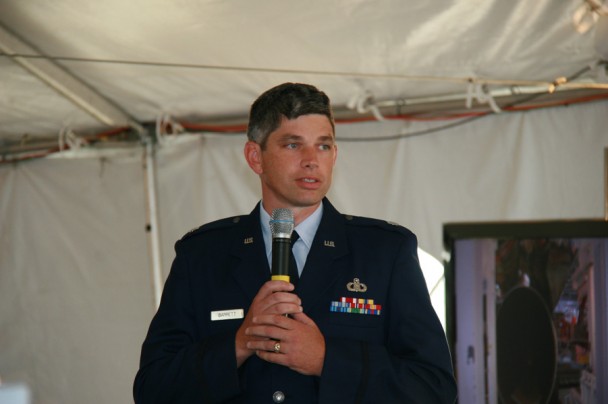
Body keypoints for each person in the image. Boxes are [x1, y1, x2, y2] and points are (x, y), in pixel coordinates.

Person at [133, 82, 457, 403]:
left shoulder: (384, 252)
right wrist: (239, 344)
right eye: (292, 145)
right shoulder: (202, 256)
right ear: (255, 157)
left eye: (323, 146)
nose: (311, 160)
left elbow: (434, 389)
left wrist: (327, 360)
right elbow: (152, 389)